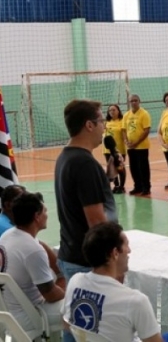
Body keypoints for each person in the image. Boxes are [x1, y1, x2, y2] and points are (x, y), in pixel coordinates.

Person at [62, 222, 163, 342]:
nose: (129, 251)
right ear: (115, 253)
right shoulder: (135, 301)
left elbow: (66, 323)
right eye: (126, 245)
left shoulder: (75, 282)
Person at [55, 100, 117, 281]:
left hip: (71, 253)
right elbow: (97, 222)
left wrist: (109, 177)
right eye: (101, 121)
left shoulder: (65, 157)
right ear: (89, 125)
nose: (104, 127)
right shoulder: (85, 164)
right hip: (86, 263)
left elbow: (82, 196)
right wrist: (112, 258)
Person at [0, 193, 64, 333]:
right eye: (45, 211)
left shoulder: (9, 235)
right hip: (29, 315)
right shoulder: (32, 250)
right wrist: (67, 288)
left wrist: (59, 272)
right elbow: (51, 295)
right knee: (80, 305)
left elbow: (38, 244)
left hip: (9, 309)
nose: (47, 215)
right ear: (37, 217)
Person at [122, 94, 152, 195]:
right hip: (130, 146)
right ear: (129, 102)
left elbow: (146, 130)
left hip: (141, 146)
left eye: (135, 100)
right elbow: (123, 130)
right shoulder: (126, 115)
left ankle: (146, 187)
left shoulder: (144, 114)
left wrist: (136, 142)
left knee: (143, 167)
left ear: (139, 101)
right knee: (133, 167)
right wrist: (126, 141)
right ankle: (137, 186)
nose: (134, 102)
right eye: (132, 101)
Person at [104, 104, 126, 194]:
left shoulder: (122, 121)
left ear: (118, 111)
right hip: (107, 150)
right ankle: (116, 185)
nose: (112, 112)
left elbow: (124, 134)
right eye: (110, 110)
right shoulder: (106, 122)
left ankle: (122, 186)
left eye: (114, 110)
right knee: (112, 169)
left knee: (120, 168)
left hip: (119, 150)